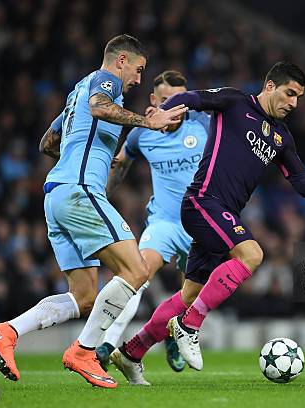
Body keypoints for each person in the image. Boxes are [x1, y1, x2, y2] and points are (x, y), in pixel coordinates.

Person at [112, 61, 305, 378]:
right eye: (289, 94)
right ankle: (189, 326)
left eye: (298, 98)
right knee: (252, 254)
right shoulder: (234, 102)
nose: (293, 103)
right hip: (202, 201)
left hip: (223, 213)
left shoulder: (281, 137)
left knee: (188, 295)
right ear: (270, 86)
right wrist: (164, 111)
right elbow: (190, 98)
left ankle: (131, 352)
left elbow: (303, 183)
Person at [0, 34, 187, 388]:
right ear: (121, 60)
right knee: (136, 269)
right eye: (138, 70)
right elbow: (99, 106)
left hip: (57, 194)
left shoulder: (75, 92)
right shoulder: (103, 81)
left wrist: (84, 152)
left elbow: (48, 142)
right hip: (79, 191)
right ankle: (84, 351)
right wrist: (147, 122)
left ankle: (8, 331)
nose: (139, 79)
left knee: (86, 296)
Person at [94, 70, 210, 384]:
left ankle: (172, 332)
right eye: (168, 101)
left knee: (190, 297)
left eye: (182, 101)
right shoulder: (141, 134)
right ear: (153, 101)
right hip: (165, 223)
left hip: (200, 226)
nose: (177, 108)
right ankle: (106, 343)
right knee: (138, 274)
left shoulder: (203, 126)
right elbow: (120, 166)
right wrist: (98, 198)